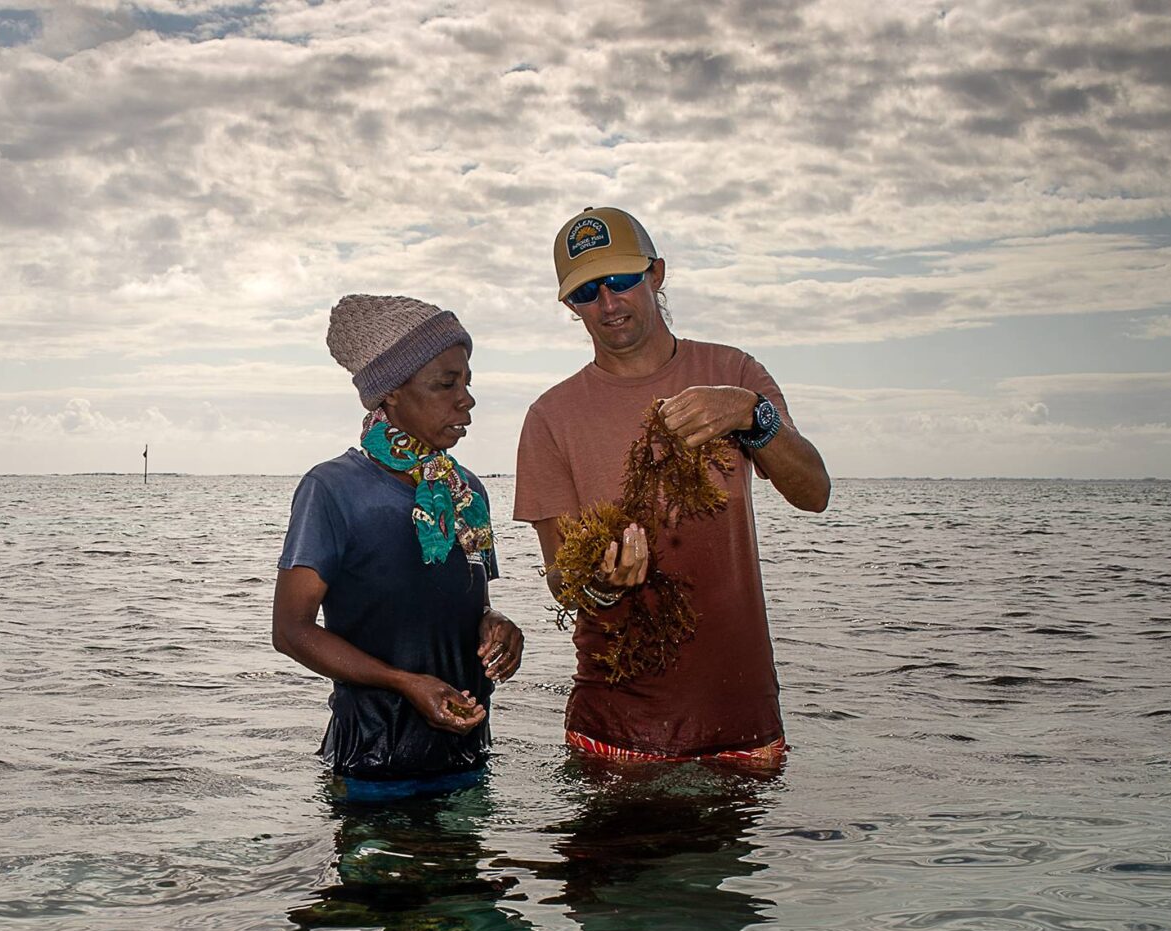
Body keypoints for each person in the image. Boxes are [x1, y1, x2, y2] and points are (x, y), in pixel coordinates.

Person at [515, 207, 831, 766]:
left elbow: (814, 493)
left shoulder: (735, 374)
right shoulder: (550, 418)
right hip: (616, 727)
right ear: (570, 306)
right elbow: (563, 581)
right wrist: (603, 586)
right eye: (587, 292)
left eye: (621, 280)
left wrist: (752, 415)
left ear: (656, 274)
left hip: (743, 716)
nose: (607, 304)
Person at [275, 294, 525, 800]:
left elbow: (471, 604)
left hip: (468, 762)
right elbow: (291, 631)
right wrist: (403, 682)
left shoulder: (466, 493)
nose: (467, 400)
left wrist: (497, 625)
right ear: (389, 393)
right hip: (373, 769)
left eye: (467, 382)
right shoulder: (333, 489)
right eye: (446, 384)